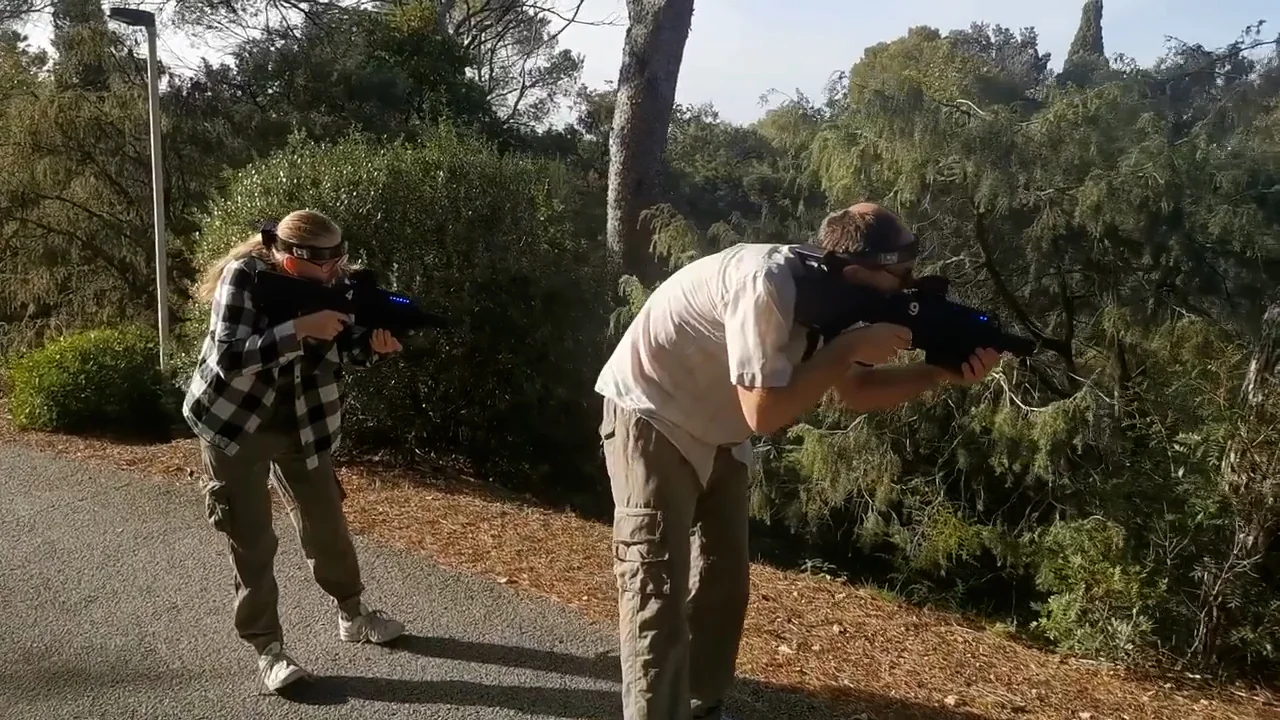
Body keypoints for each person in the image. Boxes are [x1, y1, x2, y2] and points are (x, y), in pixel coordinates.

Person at [594, 201, 1003, 720]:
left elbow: (853, 391)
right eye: (901, 277)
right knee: (657, 590)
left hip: (721, 430)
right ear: (858, 270)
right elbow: (764, 413)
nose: (909, 288)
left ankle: (699, 706)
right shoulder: (764, 284)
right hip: (654, 416)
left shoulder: (837, 291)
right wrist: (847, 347)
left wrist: (939, 373)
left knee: (725, 585)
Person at [183, 209, 407, 693]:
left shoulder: (336, 283)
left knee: (326, 523)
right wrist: (299, 328)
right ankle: (268, 649)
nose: (333, 274)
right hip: (234, 424)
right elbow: (228, 359)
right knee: (252, 539)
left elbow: (346, 346)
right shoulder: (244, 277)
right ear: (288, 262)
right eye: (323, 267)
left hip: (304, 422)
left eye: (338, 263)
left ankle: (353, 613)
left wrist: (374, 345)